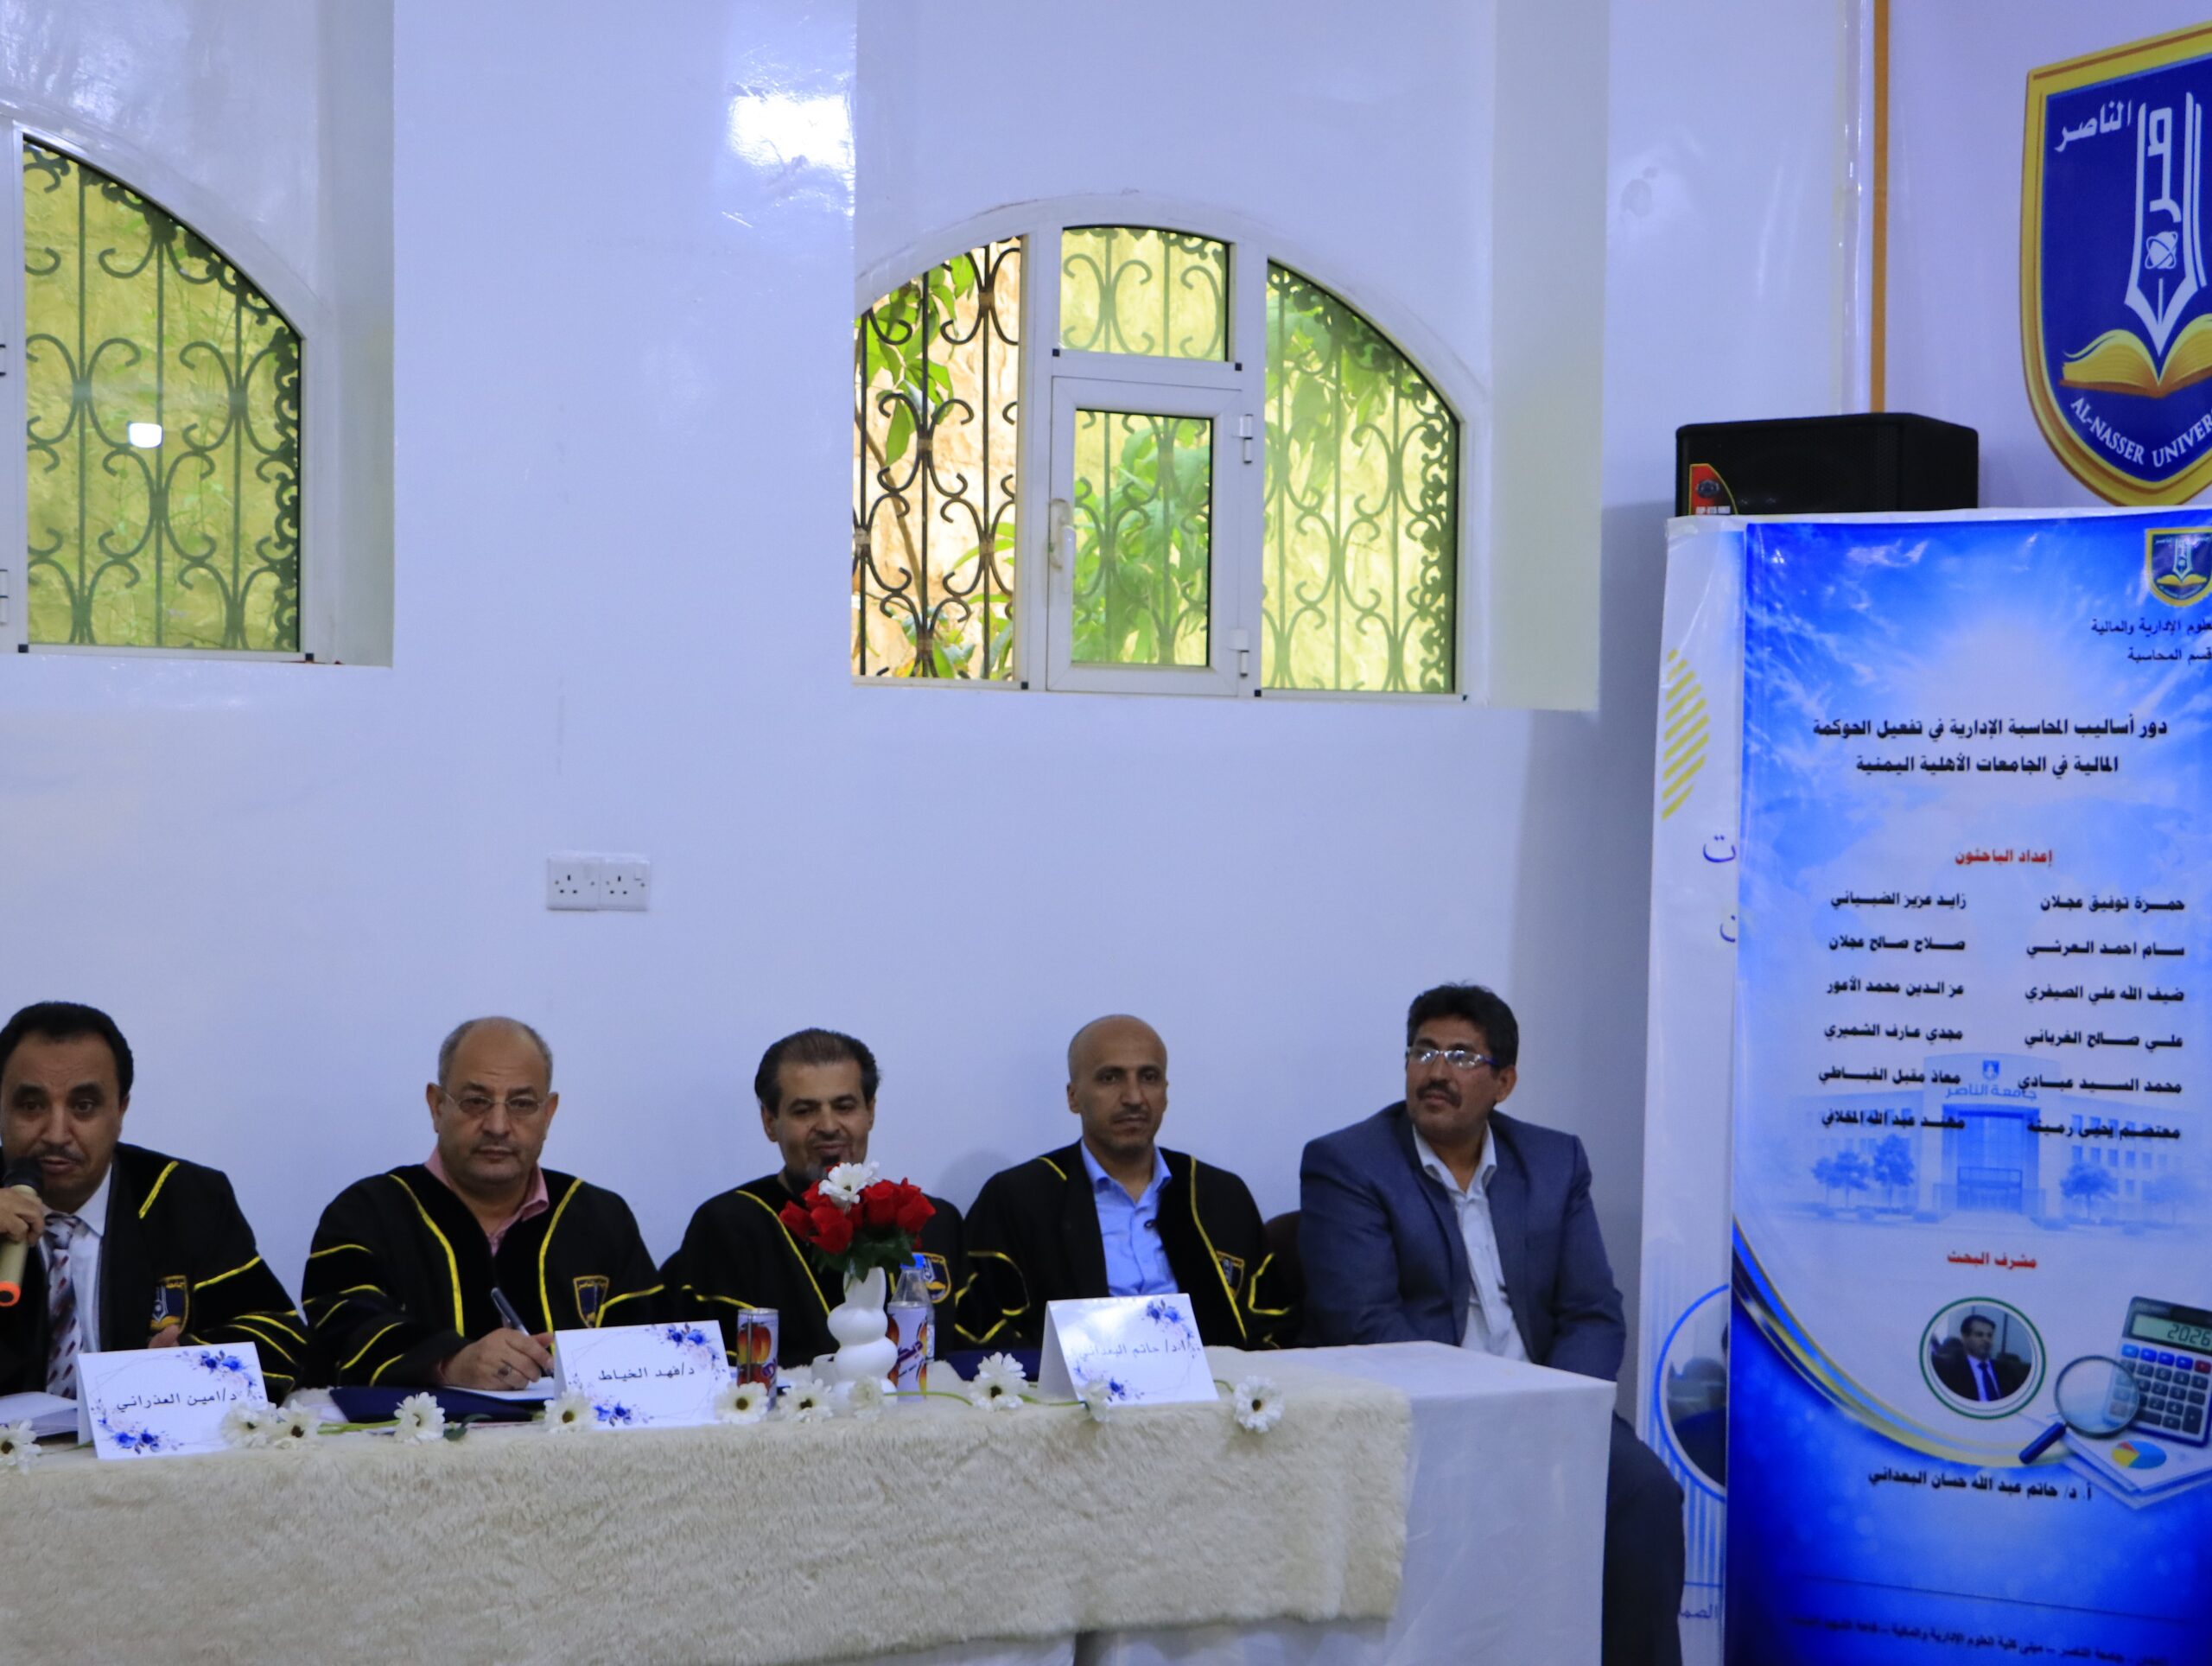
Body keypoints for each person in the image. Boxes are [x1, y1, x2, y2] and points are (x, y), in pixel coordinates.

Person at [1300, 983, 1686, 1666]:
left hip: (1550, 1406)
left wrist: (1554, 1408)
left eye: (1461, 1056)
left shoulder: (1554, 1161)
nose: (1436, 1071)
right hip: (1428, 1419)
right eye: (1423, 1051)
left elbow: (1593, 1312)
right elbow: (1364, 1324)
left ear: (1504, 1082)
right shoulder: (1349, 1164)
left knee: (1646, 1494)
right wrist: (1491, 1415)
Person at [302, 1016, 660, 1389]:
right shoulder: (366, 1215)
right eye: (476, 1101)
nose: (498, 1125)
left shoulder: (601, 1219)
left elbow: (653, 1355)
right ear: (437, 1106)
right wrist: (449, 1363)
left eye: (522, 1104)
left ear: (548, 1114)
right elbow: (343, 1333)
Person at [0, 1002, 306, 1400]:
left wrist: (187, 1365)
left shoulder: (186, 1198)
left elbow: (279, 1336)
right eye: (32, 1106)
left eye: (84, 1106)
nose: (57, 1133)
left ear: (120, 1110)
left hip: (137, 1439)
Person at [957, 1014, 1295, 1351]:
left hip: (1212, 1382)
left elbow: (1273, 1325)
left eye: (1149, 1077)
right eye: (1110, 1078)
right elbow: (983, 1332)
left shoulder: (1220, 1195)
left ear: (1165, 1093)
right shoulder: (1018, 1199)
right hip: (1075, 1384)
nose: (1134, 1097)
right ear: (1073, 1097)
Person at [662, 1028, 965, 1370]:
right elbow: (705, 1373)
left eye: (844, 1106)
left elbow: (976, 1367)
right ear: (769, 1122)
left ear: (870, 1112)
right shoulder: (729, 1229)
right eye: (805, 1111)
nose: (828, 1126)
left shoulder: (932, 1221)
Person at [1931, 1313, 2028, 1402]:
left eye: (1990, 1335)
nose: (1986, 1340)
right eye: (1979, 1335)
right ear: (1964, 1338)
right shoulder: (1950, 1370)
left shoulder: (2005, 1370)